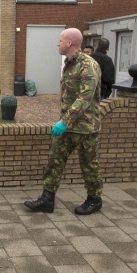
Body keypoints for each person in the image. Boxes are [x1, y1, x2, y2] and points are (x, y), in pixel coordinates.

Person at [23, 28, 104, 216]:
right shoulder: (69, 64)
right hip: (67, 126)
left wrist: (64, 122)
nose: (57, 44)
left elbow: (85, 98)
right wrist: (64, 122)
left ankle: (94, 199)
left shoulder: (88, 65)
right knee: (54, 160)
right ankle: (47, 199)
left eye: (60, 40)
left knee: (89, 165)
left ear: (69, 43)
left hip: (85, 128)